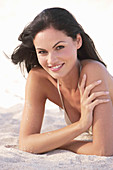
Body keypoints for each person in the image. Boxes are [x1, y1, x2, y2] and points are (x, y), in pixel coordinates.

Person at [11, 7, 113, 156]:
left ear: (77, 41)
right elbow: (26, 143)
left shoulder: (92, 72)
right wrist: (80, 125)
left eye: (59, 47)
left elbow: (103, 150)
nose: (51, 60)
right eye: (42, 52)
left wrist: (57, 142)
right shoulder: (39, 79)